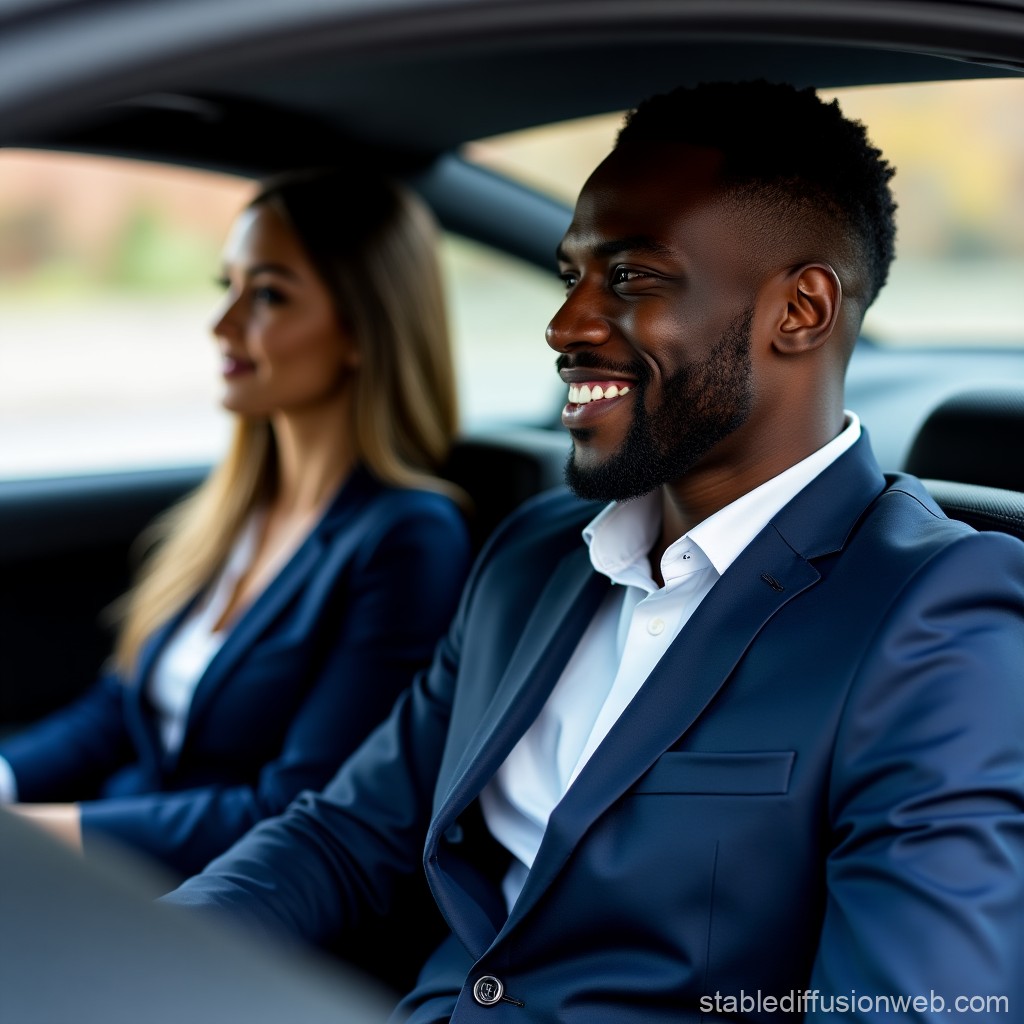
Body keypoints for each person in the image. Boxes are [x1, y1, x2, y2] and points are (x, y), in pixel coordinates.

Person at [163, 83, 1024, 1020]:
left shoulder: (932, 617)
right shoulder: (530, 559)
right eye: (571, 274)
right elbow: (341, 837)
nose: (565, 323)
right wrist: (119, 960)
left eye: (631, 278)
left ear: (802, 311)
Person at [0, 168, 472, 877]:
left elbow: (294, 809)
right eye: (229, 286)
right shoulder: (236, 511)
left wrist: (42, 835)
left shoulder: (409, 539)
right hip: (112, 855)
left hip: (212, 902)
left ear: (362, 332)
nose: (222, 324)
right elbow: (117, 711)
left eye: (270, 295)